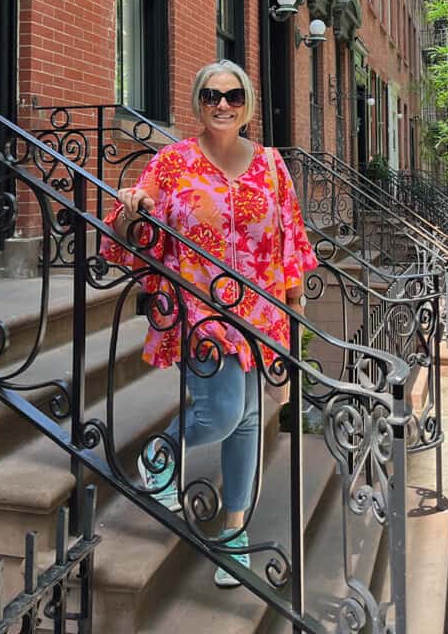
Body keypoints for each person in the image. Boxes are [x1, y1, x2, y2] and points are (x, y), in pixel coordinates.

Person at [100, 60, 318, 588]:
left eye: (234, 96)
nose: (223, 104)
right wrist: (133, 207)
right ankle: (160, 453)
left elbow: (292, 244)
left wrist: (294, 325)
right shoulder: (172, 163)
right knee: (221, 414)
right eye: (212, 95)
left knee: (246, 419)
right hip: (198, 309)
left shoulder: (270, 166)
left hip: (261, 314)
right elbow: (125, 228)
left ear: (247, 105)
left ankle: (234, 530)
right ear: (198, 102)